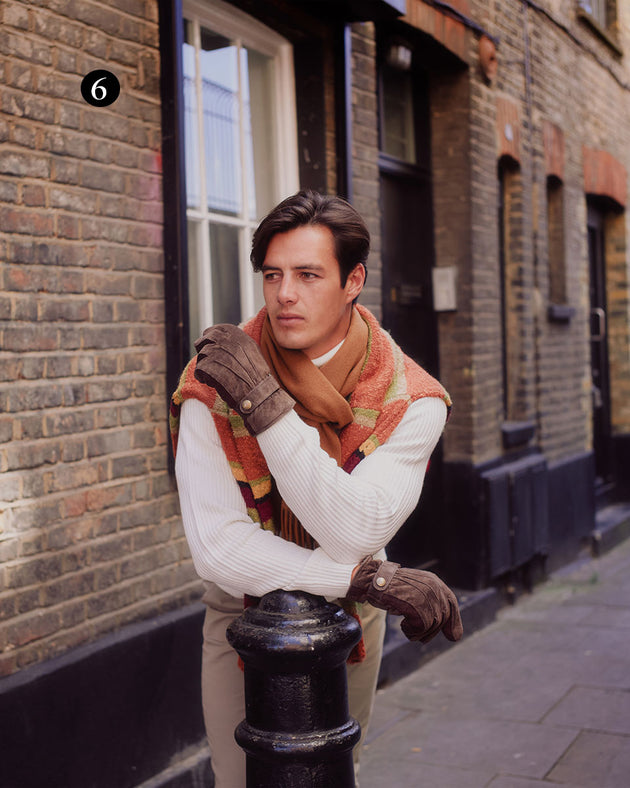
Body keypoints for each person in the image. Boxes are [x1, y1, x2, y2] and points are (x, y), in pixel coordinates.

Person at [170, 190, 462, 787]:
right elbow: (219, 549)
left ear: (352, 280)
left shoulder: (410, 399)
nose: (284, 294)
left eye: (308, 274)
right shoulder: (215, 377)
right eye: (272, 274)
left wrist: (268, 409)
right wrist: (365, 577)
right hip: (241, 616)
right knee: (241, 780)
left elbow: (354, 530)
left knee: (333, 774)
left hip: (356, 619)